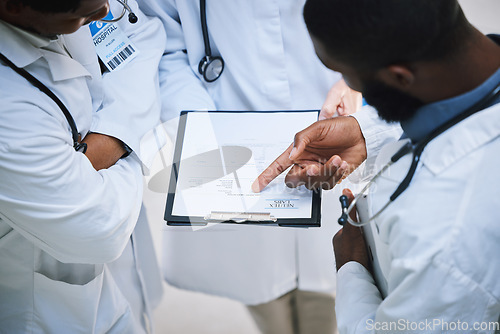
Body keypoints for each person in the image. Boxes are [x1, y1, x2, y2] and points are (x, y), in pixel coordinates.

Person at [137, 1, 401, 333]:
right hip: (225, 134)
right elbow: (160, 38)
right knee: (259, 290)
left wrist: (357, 78)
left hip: (335, 120)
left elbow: (393, 20)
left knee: (336, 285)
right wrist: (200, 125)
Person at [255, 0, 500, 332]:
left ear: (399, 76)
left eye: (348, 75)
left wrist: (352, 268)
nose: (347, 84)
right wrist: (365, 133)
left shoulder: (444, 239)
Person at [0, 0, 166, 332]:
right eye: (83, 15)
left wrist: (110, 140)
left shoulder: (92, 2)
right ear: (14, 7)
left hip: (104, 289)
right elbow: (99, 228)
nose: (105, 13)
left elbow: (144, 34)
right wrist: (134, 137)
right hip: (39, 304)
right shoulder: (8, 109)